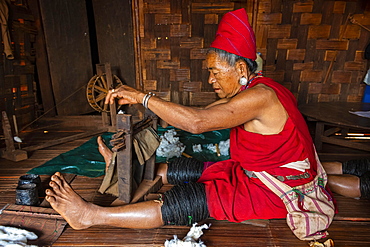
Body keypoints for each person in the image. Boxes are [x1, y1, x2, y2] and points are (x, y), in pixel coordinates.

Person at [44, 8, 367, 231]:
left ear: (241, 70)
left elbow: (197, 123)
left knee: (190, 201)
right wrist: (125, 160)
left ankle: (91, 216)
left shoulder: (260, 96)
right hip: (253, 171)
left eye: (215, 71)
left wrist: (143, 97)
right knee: (199, 169)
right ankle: (126, 171)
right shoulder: (261, 88)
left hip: (270, 187)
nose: (211, 79)